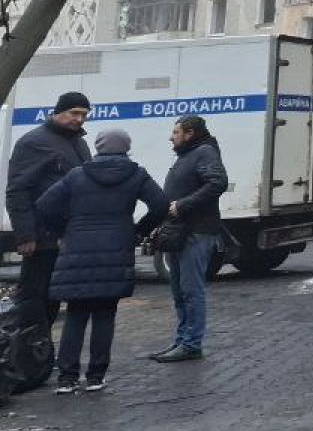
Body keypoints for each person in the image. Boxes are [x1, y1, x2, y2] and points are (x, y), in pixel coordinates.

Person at [31, 129, 167, 393]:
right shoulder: (136, 174)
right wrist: (138, 230)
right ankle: (95, 376)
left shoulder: (77, 174)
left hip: (77, 246)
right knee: (105, 313)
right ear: (126, 147)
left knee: (75, 314)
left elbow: (44, 205)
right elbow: (160, 204)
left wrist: (63, 228)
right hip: (116, 247)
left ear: (98, 147)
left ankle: (67, 378)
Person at [3, 90, 91, 331]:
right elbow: (18, 190)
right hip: (41, 238)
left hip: (69, 236)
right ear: (58, 112)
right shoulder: (33, 142)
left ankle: (42, 348)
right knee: (34, 300)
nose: (80, 119)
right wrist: (26, 235)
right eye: (74, 113)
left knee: (54, 300)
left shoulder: (79, 143)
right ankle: (26, 348)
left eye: (84, 115)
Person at [153, 115, 229, 363]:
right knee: (179, 290)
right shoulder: (189, 154)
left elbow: (218, 183)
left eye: (176, 133)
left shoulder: (204, 152)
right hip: (180, 232)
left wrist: (183, 205)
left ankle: (191, 344)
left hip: (196, 232)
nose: (171, 137)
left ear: (190, 134)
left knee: (191, 290)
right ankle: (182, 340)